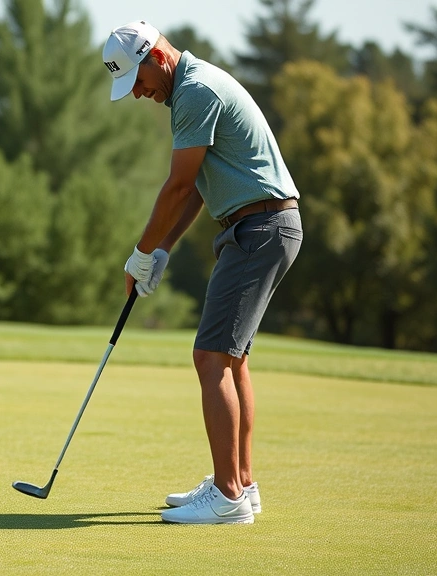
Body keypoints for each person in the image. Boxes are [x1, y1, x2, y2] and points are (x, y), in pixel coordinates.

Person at [101, 21, 303, 524]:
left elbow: (175, 186)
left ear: (157, 59)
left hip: (259, 229)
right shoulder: (189, 88)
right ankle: (240, 483)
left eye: (138, 82)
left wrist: (140, 253)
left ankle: (229, 497)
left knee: (209, 357)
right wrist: (164, 248)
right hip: (260, 227)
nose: (138, 95)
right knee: (231, 361)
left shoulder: (194, 91)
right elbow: (195, 188)